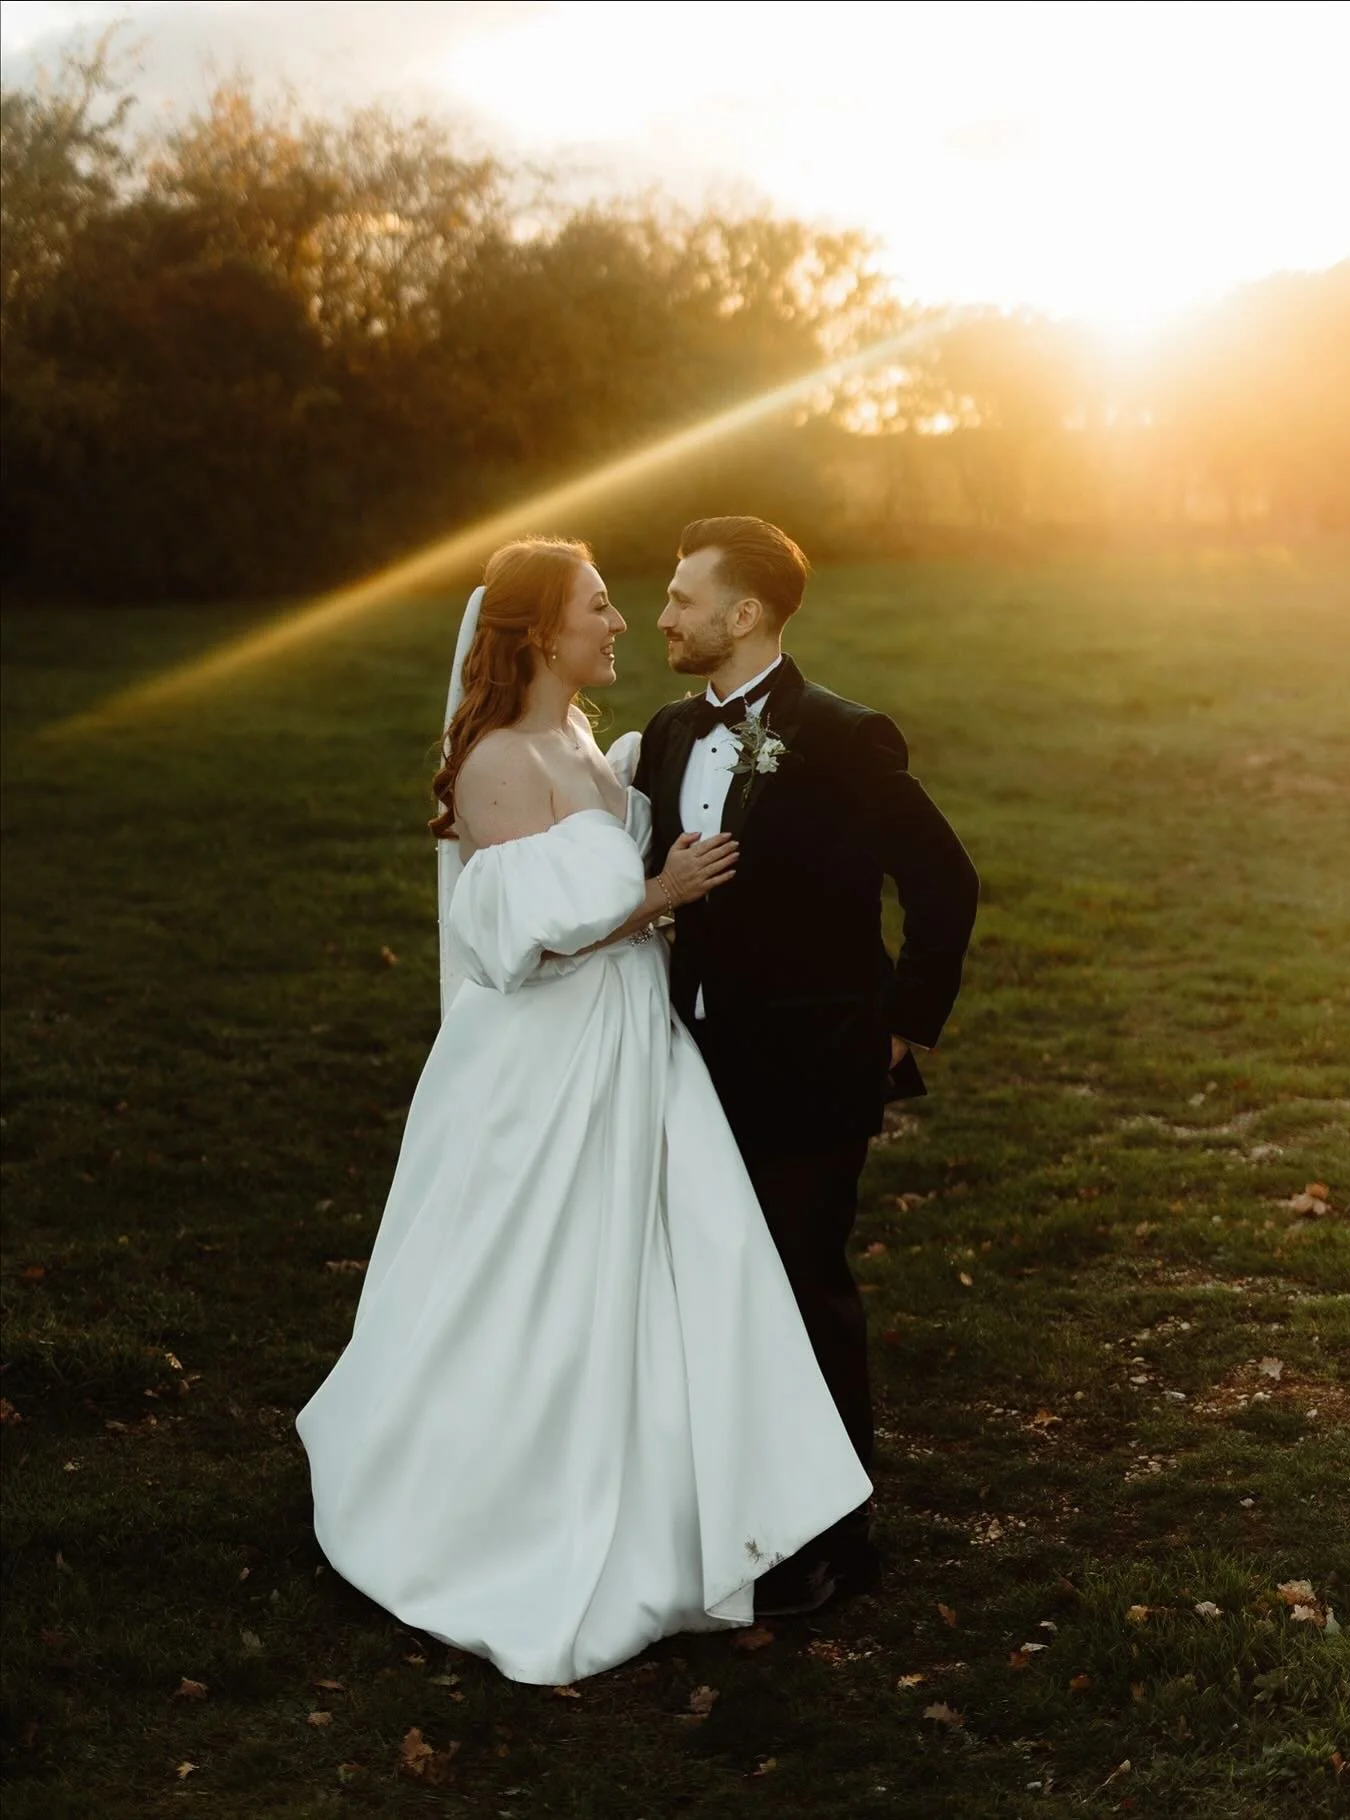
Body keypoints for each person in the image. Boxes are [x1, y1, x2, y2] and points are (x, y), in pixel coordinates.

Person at [295, 537, 872, 1686]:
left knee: (668, 1271)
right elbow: (514, 944)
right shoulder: (501, 763)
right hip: (548, 1061)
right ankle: (498, 1505)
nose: (622, 625)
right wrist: (653, 897)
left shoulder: (589, 744)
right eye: (601, 608)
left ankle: (695, 1497)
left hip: (634, 1041)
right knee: (539, 1274)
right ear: (540, 632)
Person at [636, 516, 979, 1615]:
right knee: (715, 1291)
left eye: (685, 597)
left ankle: (838, 1539)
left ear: (745, 614)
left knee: (803, 1288)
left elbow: (943, 882)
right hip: (688, 1060)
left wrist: (903, 1023)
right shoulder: (668, 730)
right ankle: (737, 1504)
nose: (665, 615)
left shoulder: (843, 735)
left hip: (813, 1062)